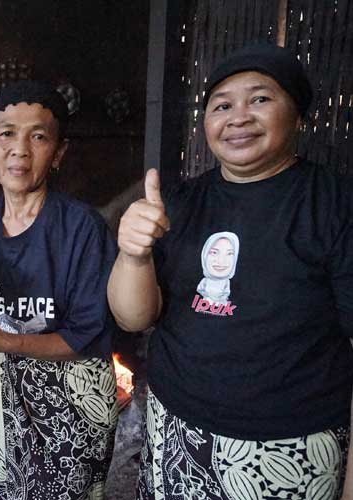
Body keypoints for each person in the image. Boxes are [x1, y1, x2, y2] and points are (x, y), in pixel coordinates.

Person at [108, 44, 352, 499]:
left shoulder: (334, 205)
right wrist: (133, 255)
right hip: (173, 429)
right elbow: (133, 319)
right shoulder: (180, 202)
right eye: (222, 105)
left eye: (259, 99)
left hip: (290, 447)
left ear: (297, 116)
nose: (238, 117)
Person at [0, 81, 119, 500]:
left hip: (74, 398)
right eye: (7, 134)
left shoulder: (82, 229)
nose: (20, 149)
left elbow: (84, 336)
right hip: (5, 397)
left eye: (38, 136)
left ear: (59, 152)